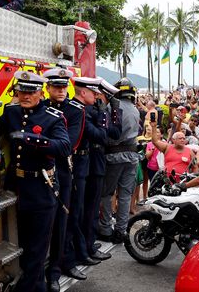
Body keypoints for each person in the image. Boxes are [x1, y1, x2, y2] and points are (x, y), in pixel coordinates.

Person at [0, 70, 70, 292]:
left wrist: (32, 138)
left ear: (41, 92)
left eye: (31, 92)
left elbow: (64, 147)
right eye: (21, 91)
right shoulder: (10, 113)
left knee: (36, 250)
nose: (25, 96)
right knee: (18, 244)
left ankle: (32, 287)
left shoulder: (52, 117)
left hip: (41, 188)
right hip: (15, 188)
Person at [41, 68, 85, 292]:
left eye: (63, 87)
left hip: (63, 173)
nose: (60, 91)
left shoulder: (75, 110)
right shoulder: (39, 108)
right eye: (56, 87)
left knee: (62, 224)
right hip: (40, 173)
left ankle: (56, 271)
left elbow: (70, 143)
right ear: (47, 88)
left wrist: (38, 142)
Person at [60, 76, 105, 281]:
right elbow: (100, 135)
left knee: (77, 214)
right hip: (74, 165)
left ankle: (79, 253)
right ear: (83, 92)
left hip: (82, 165)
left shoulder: (81, 109)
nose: (96, 97)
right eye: (94, 93)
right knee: (72, 215)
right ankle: (70, 259)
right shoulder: (77, 110)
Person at [82, 78, 121, 262]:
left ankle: (89, 243)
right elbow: (103, 136)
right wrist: (105, 114)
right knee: (88, 209)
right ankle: (86, 246)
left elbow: (116, 132)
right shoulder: (90, 111)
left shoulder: (101, 111)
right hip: (89, 162)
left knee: (92, 207)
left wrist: (115, 110)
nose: (101, 98)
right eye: (107, 97)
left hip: (96, 163)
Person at [99, 77, 140, 244]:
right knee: (124, 195)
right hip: (132, 157)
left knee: (107, 194)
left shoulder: (110, 108)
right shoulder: (136, 110)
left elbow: (107, 133)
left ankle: (106, 228)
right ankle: (121, 231)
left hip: (113, 156)